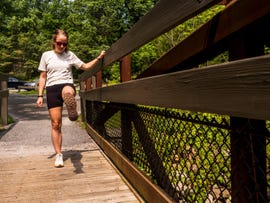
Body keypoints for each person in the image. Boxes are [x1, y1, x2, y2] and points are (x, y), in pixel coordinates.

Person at [36, 29, 105, 167]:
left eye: (65, 44)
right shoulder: (46, 55)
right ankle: (59, 154)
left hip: (66, 84)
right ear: (54, 42)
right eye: (59, 43)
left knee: (67, 91)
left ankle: (70, 104)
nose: (62, 46)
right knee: (56, 124)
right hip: (51, 89)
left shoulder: (70, 55)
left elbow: (84, 66)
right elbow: (43, 76)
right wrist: (40, 95)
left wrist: (99, 58)